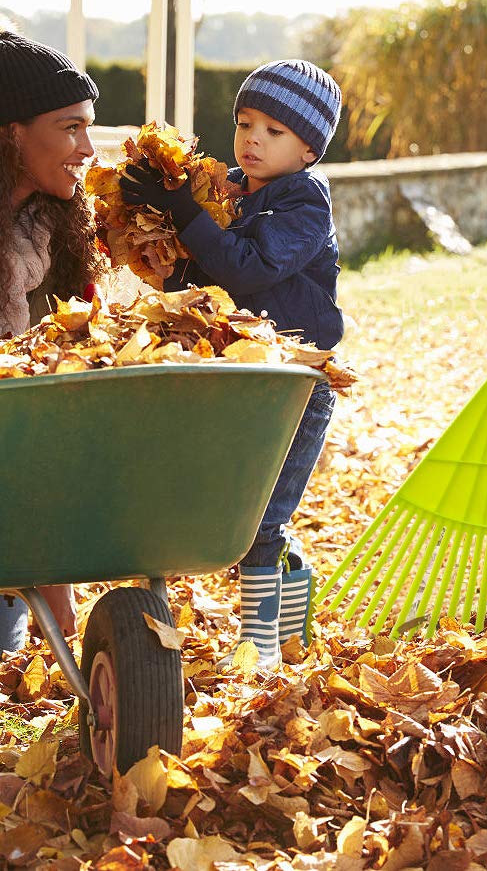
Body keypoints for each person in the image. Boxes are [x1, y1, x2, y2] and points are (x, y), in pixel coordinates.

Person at [120, 59, 344, 668]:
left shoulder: (304, 205)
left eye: (274, 131)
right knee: (243, 505)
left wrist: (189, 215)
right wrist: (171, 245)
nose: (252, 139)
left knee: (263, 517)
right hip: (242, 378)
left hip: (297, 382)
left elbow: (249, 267)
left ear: (308, 150)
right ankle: (290, 604)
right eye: (246, 123)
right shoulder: (228, 197)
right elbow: (213, 279)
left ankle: (259, 645)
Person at [0, 30, 105, 653]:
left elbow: (75, 383)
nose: (88, 148)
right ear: (13, 132)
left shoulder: (59, 230)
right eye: (70, 128)